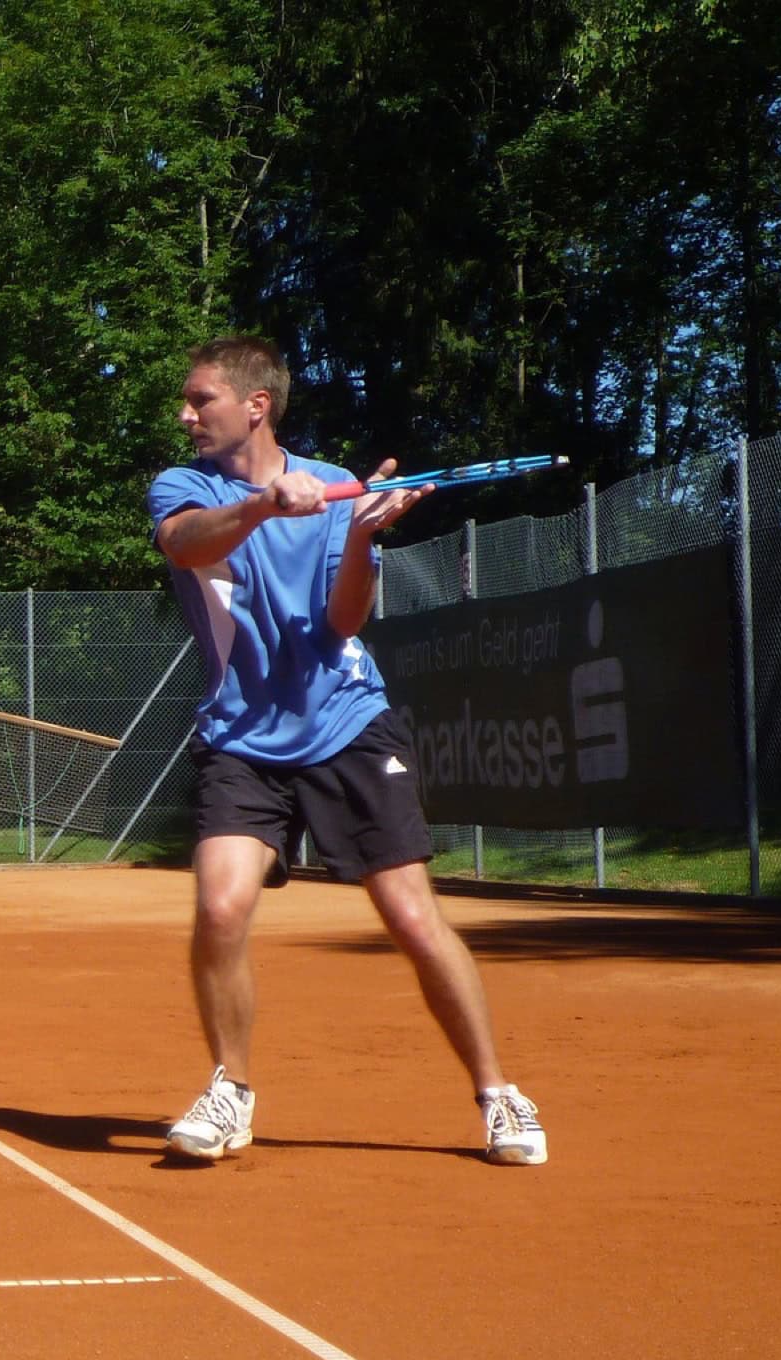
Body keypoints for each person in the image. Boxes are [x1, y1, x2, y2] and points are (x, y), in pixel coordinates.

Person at [146, 335, 546, 1166]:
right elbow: (187, 545)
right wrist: (266, 504)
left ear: (255, 405)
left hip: (348, 724)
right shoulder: (183, 486)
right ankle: (232, 1091)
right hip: (241, 736)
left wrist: (359, 534)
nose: (187, 415)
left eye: (201, 400)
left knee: (409, 915)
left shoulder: (334, 488)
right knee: (221, 907)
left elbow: (343, 622)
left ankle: (499, 1093)